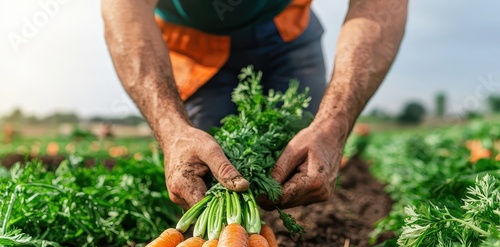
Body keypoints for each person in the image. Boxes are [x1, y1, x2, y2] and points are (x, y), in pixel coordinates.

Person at [101, 0, 407, 210]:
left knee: (297, 160)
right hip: (195, 45)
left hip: (287, 27)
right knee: (205, 170)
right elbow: (125, 9)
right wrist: (172, 130)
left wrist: (334, 124)